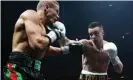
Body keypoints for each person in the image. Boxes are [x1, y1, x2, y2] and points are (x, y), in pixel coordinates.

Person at [3, 1, 83, 80]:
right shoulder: (31, 14)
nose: (58, 16)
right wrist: (56, 33)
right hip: (18, 68)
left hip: (35, 71)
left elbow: (45, 49)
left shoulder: (44, 29)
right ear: (46, 8)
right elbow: (38, 44)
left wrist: (67, 49)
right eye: (57, 11)